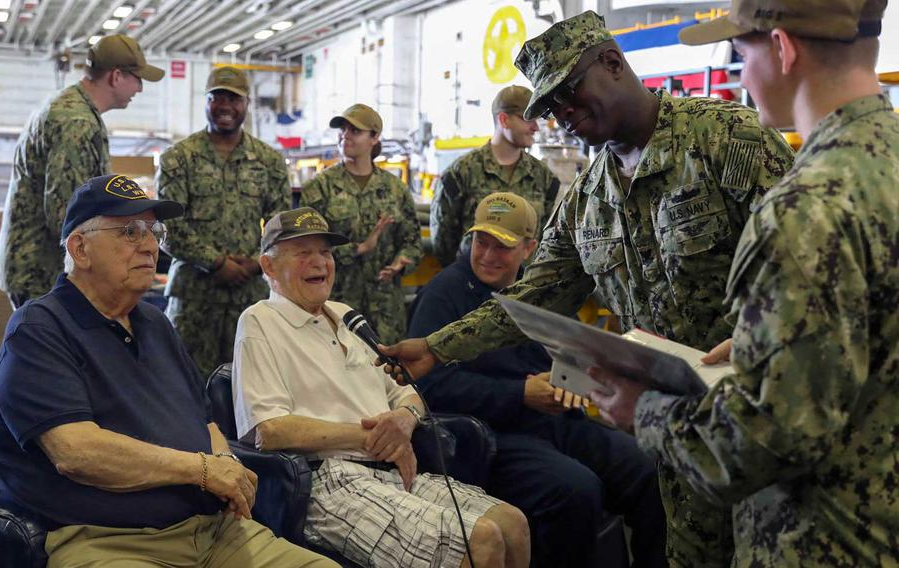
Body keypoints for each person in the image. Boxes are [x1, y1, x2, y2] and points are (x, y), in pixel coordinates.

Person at [380, 11, 796, 568]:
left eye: (567, 93)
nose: (562, 115)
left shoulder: (727, 141)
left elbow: (806, 271)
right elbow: (532, 298)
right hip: (668, 431)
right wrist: (436, 347)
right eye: (549, 108)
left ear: (612, 62)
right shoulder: (585, 199)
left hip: (761, 426)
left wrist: (751, 342)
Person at [587, 1, 899, 566]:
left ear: (782, 49)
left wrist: (643, 409)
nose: (742, 73)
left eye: (741, 52)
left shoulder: (805, 208)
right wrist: (772, 346)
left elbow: (758, 445)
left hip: (823, 542)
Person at [0, 174, 336, 568]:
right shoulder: (39, 329)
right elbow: (77, 452)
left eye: (154, 231)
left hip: (214, 531)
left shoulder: (155, 323)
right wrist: (204, 470)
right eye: (130, 231)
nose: (151, 244)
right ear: (80, 248)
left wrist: (229, 467)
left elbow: (203, 422)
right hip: (106, 540)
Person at [232, 207, 530, 568]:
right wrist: (372, 437)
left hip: (392, 469)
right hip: (328, 482)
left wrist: (404, 420)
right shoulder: (260, 320)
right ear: (268, 266)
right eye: (303, 252)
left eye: (325, 252)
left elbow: (407, 390)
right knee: (479, 540)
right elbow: (268, 430)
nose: (320, 263)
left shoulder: (345, 315)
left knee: (513, 524)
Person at [409, 192, 666, 568]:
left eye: (504, 246)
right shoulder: (444, 294)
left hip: (553, 420)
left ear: (529, 248)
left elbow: (577, 350)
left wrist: (572, 381)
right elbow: (430, 387)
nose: (488, 256)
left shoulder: (539, 291)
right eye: (482, 242)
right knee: (576, 490)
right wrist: (519, 393)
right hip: (492, 434)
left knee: (650, 469)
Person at [0, 34, 163, 308]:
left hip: (37, 265)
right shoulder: (76, 122)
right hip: (42, 272)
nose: (140, 89)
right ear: (116, 76)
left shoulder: (71, 107)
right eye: (137, 78)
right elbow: (67, 215)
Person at [156, 66, 290, 376]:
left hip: (248, 297)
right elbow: (167, 227)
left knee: (250, 384)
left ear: (247, 104)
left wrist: (259, 263)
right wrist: (216, 263)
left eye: (235, 99)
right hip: (193, 299)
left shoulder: (269, 162)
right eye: (217, 97)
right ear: (205, 101)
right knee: (184, 383)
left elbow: (281, 227)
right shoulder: (179, 158)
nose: (226, 106)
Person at [300, 104, 422, 344]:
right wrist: (358, 249)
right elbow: (307, 248)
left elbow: (412, 242)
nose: (345, 135)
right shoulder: (320, 188)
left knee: (388, 376)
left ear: (374, 138)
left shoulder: (395, 189)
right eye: (343, 129)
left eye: (355, 131)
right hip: (336, 308)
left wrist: (400, 263)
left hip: (386, 311)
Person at [430, 86, 560, 266]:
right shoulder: (460, 173)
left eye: (536, 120)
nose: (535, 127)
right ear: (504, 120)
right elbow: (443, 243)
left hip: (522, 288)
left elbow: (543, 239)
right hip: (472, 286)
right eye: (528, 119)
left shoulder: (545, 178)